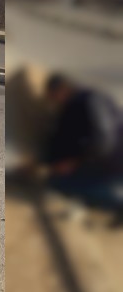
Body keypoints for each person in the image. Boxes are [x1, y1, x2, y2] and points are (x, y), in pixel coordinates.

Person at [40, 73, 123, 216]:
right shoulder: (83, 101)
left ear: (62, 90)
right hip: (104, 161)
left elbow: (102, 141)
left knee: (58, 182)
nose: (53, 101)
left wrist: (74, 162)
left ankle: (116, 202)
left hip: (110, 163)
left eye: (53, 96)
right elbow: (62, 140)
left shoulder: (85, 102)